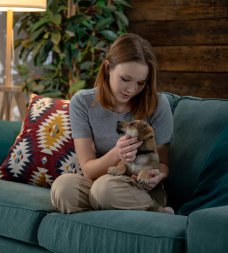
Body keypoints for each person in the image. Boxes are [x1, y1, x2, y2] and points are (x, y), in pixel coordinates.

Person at [50, 33, 174, 214]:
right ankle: (105, 207)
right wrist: (117, 153)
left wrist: (159, 175)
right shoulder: (83, 102)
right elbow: (88, 170)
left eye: (140, 83)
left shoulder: (157, 104)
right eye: (125, 79)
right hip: (99, 182)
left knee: (104, 189)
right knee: (63, 187)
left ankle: (159, 212)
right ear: (108, 68)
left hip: (139, 186)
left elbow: (163, 163)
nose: (131, 90)